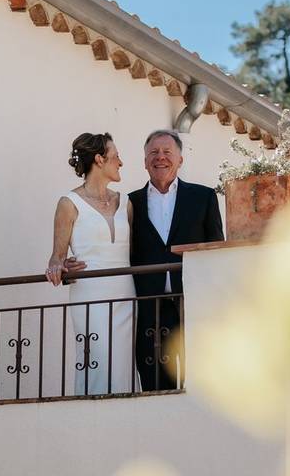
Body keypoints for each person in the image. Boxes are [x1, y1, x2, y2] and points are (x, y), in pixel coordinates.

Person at [127, 129, 223, 391]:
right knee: (154, 383)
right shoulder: (130, 203)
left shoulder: (203, 197)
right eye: (154, 152)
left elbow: (215, 249)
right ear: (145, 161)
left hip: (193, 302)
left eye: (167, 152)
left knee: (202, 381)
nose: (160, 157)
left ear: (180, 159)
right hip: (149, 307)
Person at [45, 132, 137, 395]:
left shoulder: (126, 203)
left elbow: (134, 253)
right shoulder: (69, 204)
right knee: (98, 361)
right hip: (90, 295)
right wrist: (60, 268)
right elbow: (56, 258)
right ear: (99, 159)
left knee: (124, 365)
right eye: (116, 156)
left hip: (126, 295)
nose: (121, 162)